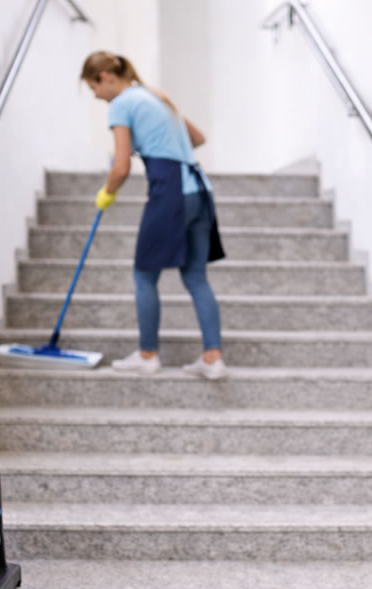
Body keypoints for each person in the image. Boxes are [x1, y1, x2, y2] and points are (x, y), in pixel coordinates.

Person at [81, 51, 227, 379]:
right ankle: (212, 358)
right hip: (200, 190)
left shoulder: (121, 103)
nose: (95, 95)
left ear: (105, 77)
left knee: (144, 275)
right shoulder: (155, 96)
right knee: (196, 278)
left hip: (170, 193)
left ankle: (147, 355)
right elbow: (198, 138)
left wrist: (107, 193)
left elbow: (120, 166)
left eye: (93, 87)